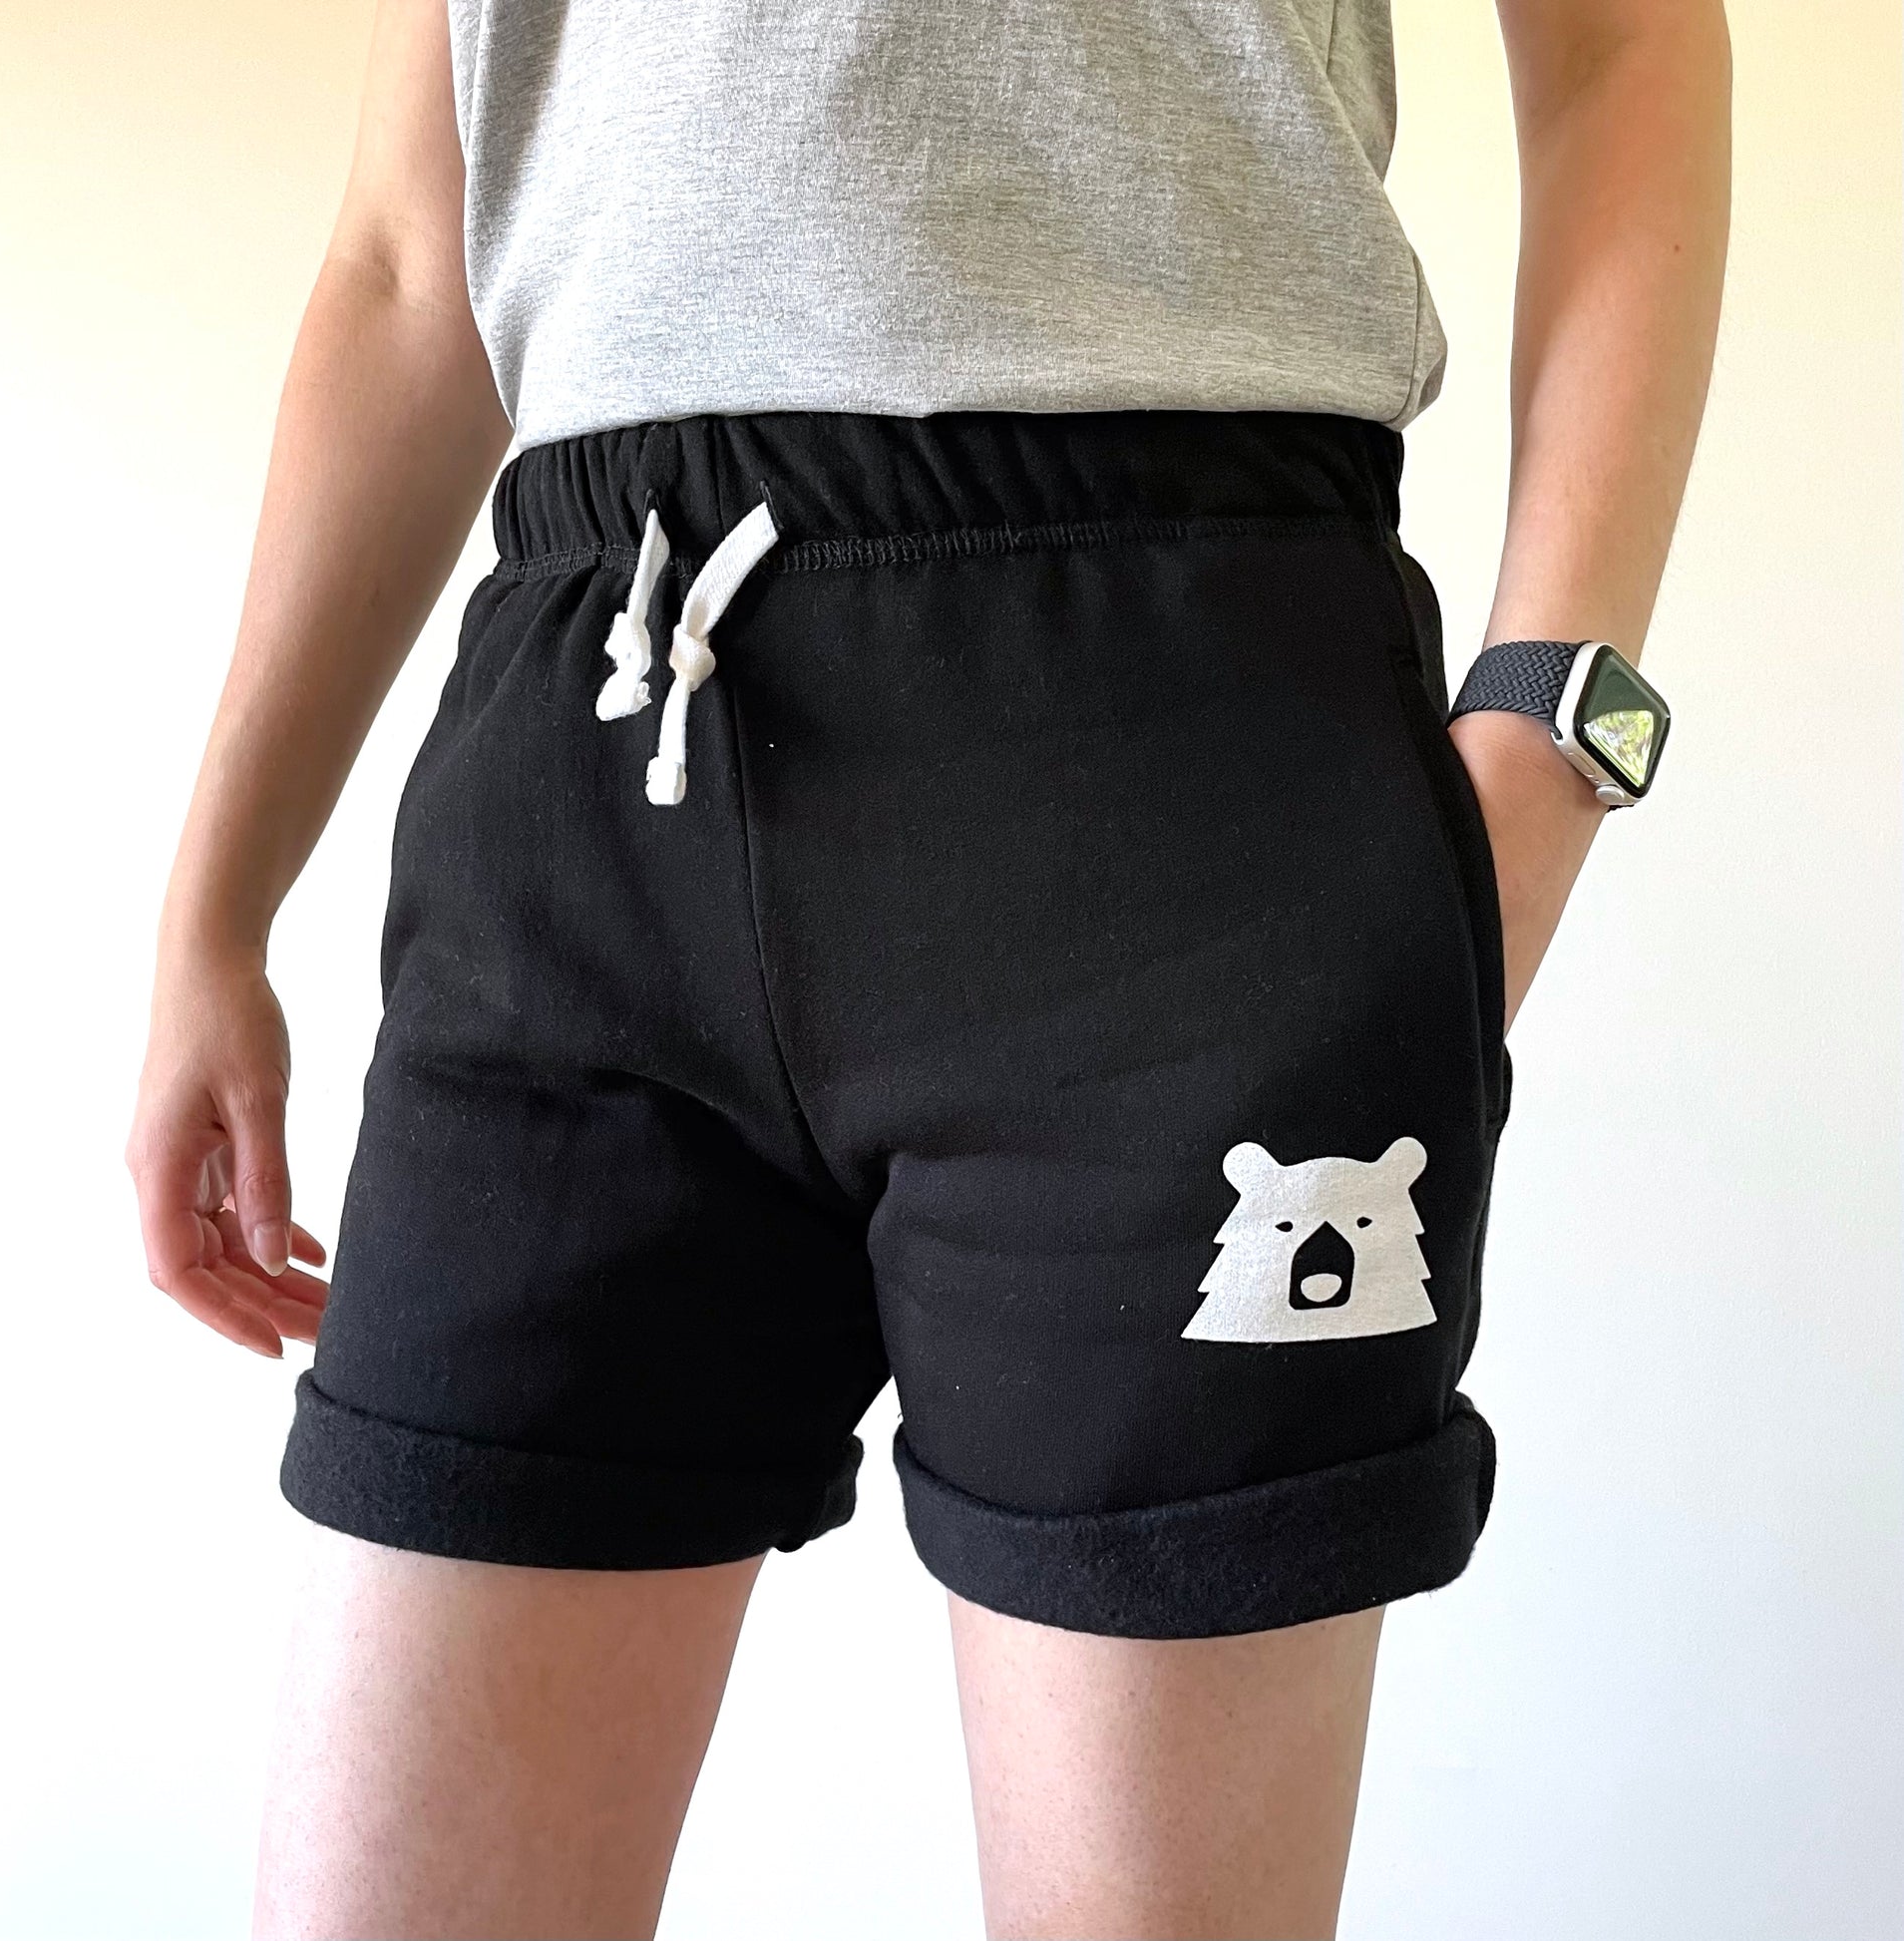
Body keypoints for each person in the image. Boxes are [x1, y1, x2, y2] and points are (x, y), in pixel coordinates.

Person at [126, 0, 1729, 1933]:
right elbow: (410, 254)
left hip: (1187, 745)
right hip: (589, 748)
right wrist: (215, 905)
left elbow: (1624, 46)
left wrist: (1552, 737)